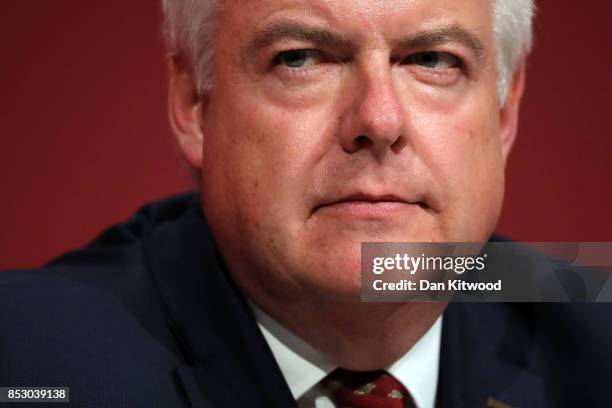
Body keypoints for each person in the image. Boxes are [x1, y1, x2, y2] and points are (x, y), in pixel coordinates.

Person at [0, 0, 611, 407]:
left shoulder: (593, 328)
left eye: (432, 61)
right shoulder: (27, 360)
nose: (377, 119)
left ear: (504, 111)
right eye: (302, 58)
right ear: (194, 102)